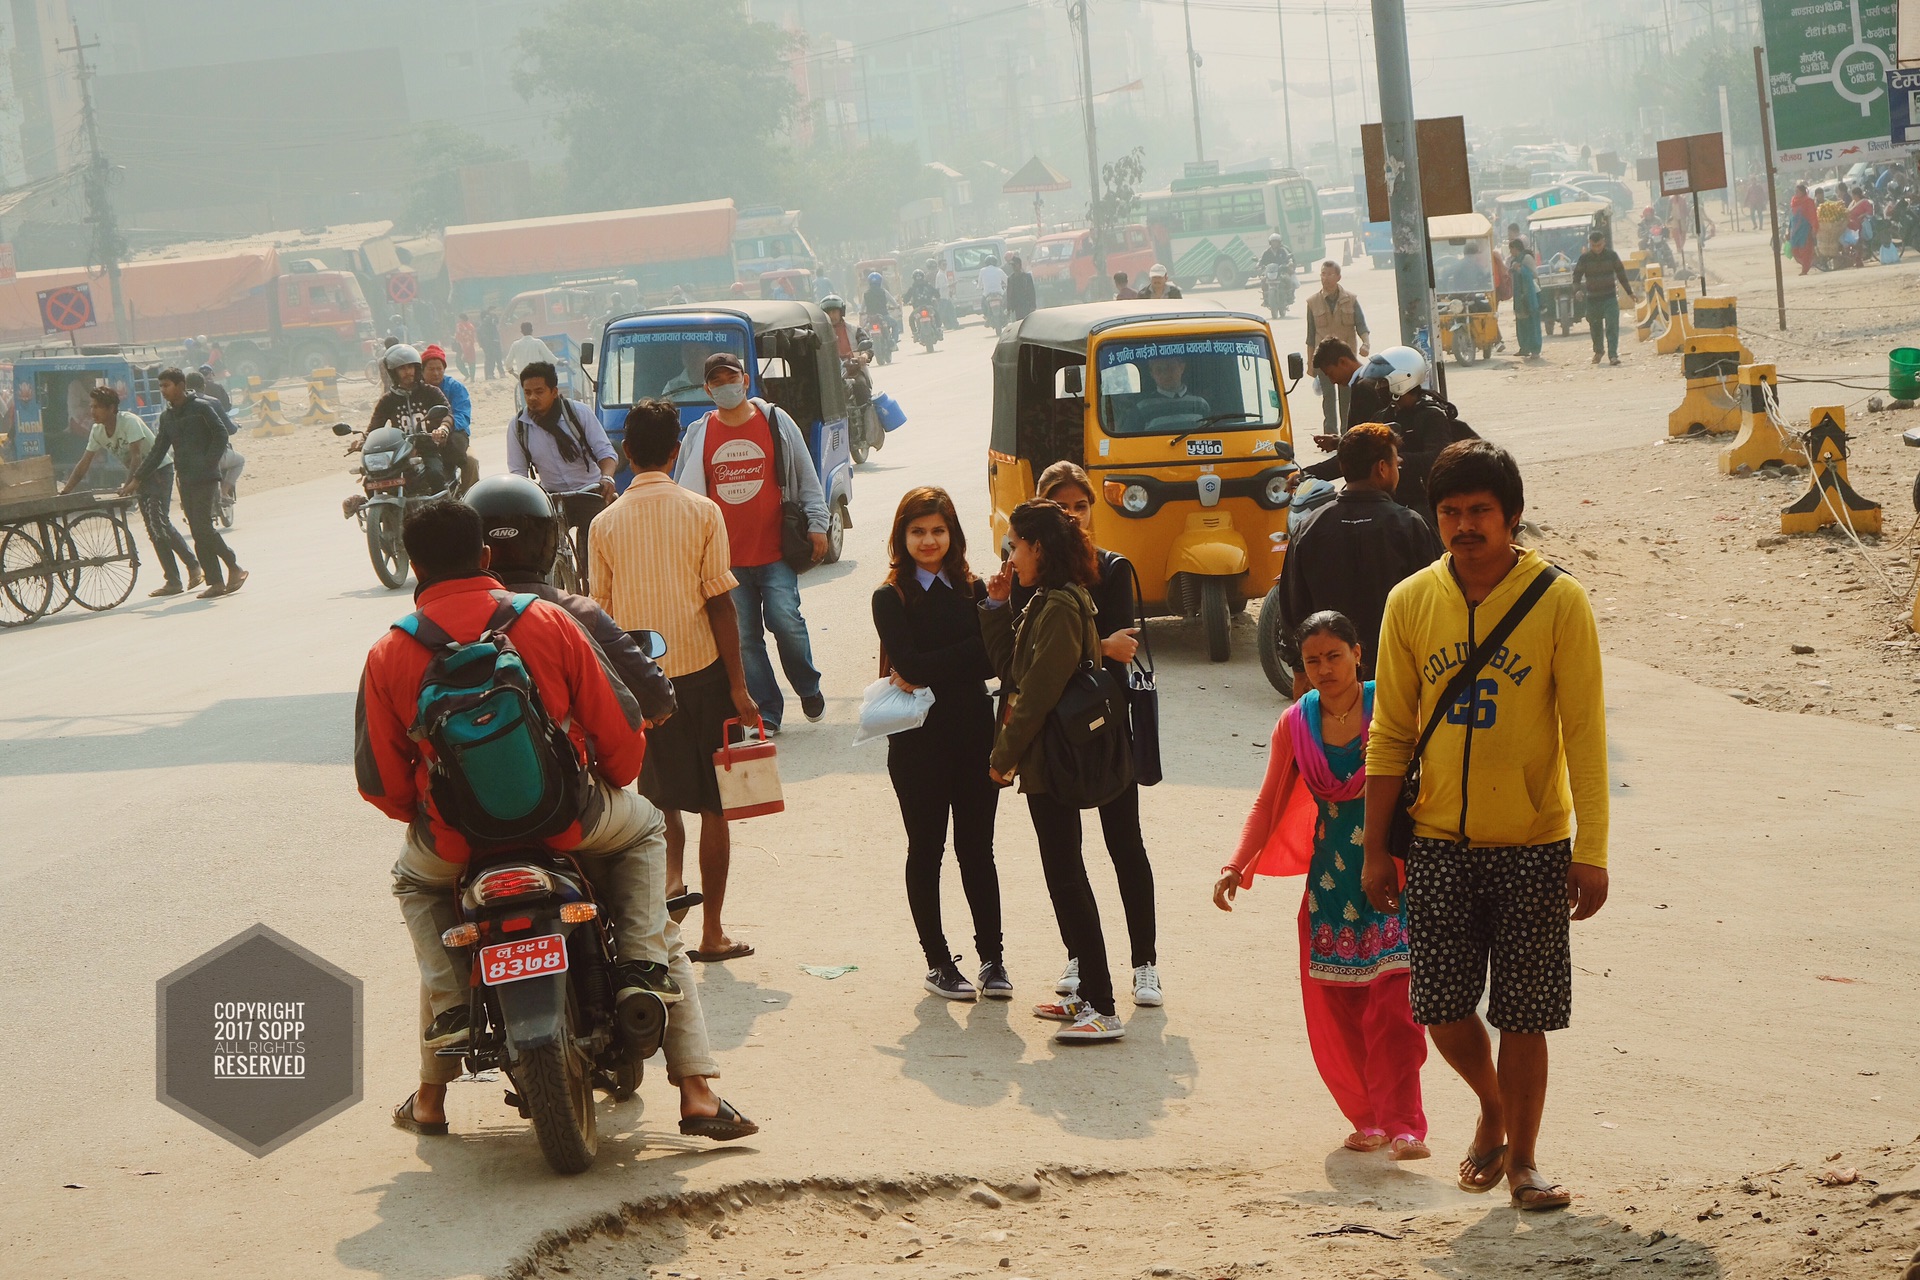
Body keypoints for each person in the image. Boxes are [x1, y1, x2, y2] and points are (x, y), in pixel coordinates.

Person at [354, 501, 745, 1140]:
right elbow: (621, 737)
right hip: (570, 822)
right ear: (486, 558)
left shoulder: (389, 651)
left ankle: (433, 1089)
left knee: (432, 906)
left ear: (414, 566)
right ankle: (690, 1078)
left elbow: (383, 784)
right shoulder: (548, 621)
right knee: (646, 827)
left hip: (460, 844)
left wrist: (429, 816)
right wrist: (605, 784)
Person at [1360, 440, 1609, 1212]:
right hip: (1434, 842)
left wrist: (1591, 850)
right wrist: (1375, 847)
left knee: (1525, 1012)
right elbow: (1390, 733)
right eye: (1452, 513)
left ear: (1513, 517)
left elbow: (1584, 732)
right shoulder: (1411, 601)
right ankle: (1494, 1106)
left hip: (1534, 845)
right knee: (1438, 1003)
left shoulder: (1558, 601)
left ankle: (1526, 1162)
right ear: (1434, 516)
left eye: (1481, 513)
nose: (1466, 526)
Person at [1217, 610, 1428, 1159]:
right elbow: (1268, 801)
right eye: (1313, 660)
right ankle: (1370, 1118)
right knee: (1339, 1009)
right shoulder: (1295, 723)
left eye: (1335, 655)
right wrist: (1236, 865)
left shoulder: (1393, 704)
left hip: (1394, 876)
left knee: (1396, 1006)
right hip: (1331, 884)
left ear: (1359, 653)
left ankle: (1406, 1125)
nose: (1325, 668)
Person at [592, 398, 759, 965]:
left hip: (643, 683)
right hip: (706, 675)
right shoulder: (703, 511)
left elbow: (602, 619)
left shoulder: (603, 523)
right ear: (675, 451)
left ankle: (668, 898)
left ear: (626, 452)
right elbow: (722, 606)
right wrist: (740, 687)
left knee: (660, 800)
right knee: (716, 803)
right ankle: (712, 931)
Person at [981, 500, 1124, 1043]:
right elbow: (1011, 672)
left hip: (1055, 760)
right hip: (1047, 762)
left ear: (1038, 547)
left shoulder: (1061, 607)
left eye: (1015, 546)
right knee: (1063, 876)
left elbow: (1034, 696)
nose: (1011, 557)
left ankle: (1104, 1007)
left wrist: (1000, 761)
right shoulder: (1044, 600)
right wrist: (996, 608)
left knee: (1068, 878)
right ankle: (1087, 994)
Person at [1018, 463, 1161, 1009]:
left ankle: (1144, 963)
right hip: (1051, 741)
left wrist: (1079, 650)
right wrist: (1092, 645)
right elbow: (1022, 659)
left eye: (1081, 505)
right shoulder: (1024, 572)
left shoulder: (1112, 570)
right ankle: (1080, 957)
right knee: (1063, 857)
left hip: (1104, 734)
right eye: (1061, 507)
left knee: (1125, 846)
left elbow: (1120, 657)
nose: (1073, 516)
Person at [871, 486, 1008, 1001]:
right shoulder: (890, 596)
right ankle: (937, 961)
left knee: (978, 851)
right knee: (925, 851)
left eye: (938, 530)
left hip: (976, 737)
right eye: (918, 531)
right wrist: (969, 651)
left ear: (953, 534)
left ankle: (993, 958)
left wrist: (934, 665)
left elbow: (996, 660)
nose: (929, 541)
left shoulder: (976, 589)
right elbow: (910, 664)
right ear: (902, 537)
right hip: (916, 746)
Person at [675, 353, 829, 736]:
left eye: (732, 377)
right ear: (707, 388)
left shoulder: (775, 420)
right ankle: (767, 710)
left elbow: (806, 475)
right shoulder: (698, 434)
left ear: (745, 381)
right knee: (744, 639)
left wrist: (819, 523)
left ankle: (807, 686)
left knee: (786, 621)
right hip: (725, 560)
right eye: (717, 380)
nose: (726, 385)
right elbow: (684, 494)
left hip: (775, 550)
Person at [1277, 423, 1443, 694]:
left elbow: (1292, 608)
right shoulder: (1410, 526)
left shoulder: (1309, 528)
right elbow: (1437, 604)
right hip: (1398, 684)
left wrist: (1300, 670)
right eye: (1394, 463)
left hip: (1332, 686)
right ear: (1382, 468)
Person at [63, 385, 201, 597]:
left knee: (158, 521)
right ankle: (174, 579)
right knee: (154, 527)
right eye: (91, 406)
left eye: (97, 407)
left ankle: (192, 566)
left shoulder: (129, 422)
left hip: (158, 471)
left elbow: (136, 457)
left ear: (111, 408)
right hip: (139, 477)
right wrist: (66, 491)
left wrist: (129, 485)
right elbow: (84, 463)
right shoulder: (98, 430)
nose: (92, 411)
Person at [127, 368, 244, 599]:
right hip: (186, 478)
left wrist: (209, 463)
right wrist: (137, 479)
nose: (163, 391)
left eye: (167, 386)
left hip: (207, 477)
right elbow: (158, 450)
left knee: (202, 528)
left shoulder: (201, 408)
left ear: (180, 385)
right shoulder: (168, 417)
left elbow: (221, 434)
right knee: (198, 530)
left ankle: (231, 568)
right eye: (160, 387)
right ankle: (219, 581)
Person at [508, 361, 618, 587]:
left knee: (597, 556)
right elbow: (518, 474)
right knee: (538, 554)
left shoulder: (579, 413)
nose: (532, 398)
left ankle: (597, 590)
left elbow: (606, 453)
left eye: (539, 392)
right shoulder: (518, 427)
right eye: (527, 392)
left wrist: (606, 478)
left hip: (589, 491)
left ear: (554, 392)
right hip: (550, 497)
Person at [1305, 261, 1370, 438]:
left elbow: (1361, 326)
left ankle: (1347, 432)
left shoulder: (1351, 299)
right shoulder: (1312, 302)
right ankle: (1331, 433)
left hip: (1344, 361)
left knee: (1346, 397)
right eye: (1323, 274)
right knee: (1328, 397)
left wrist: (1366, 343)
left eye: (1330, 274)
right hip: (1323, 360)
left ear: (1338, 277)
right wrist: (1310, 363)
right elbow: (1310, 336)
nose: (1326, 278)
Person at [1571, 230, 1634, 366]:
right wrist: (1577, 291)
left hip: (1609, 298)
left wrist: (1630, 292)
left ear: (1604, 242)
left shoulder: (1612, 256)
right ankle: (1599, 351)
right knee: (1595, 327)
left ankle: (1613, 355)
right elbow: (1576, 277)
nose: (1597, 248)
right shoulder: (1585, 258)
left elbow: (1621, 274)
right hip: (1593, 299)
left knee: (1612, 325)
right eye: (1594, 246)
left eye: (1599, 245)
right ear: (1590, 244)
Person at [420, 344, 475, 495]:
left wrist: (444, 429)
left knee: (471, 462)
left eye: (440, 369)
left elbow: (462, 415)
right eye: (431, 369)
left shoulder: (455, 387)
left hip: (453, 439)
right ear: (422, 370)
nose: (436, 373)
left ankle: (469, 499)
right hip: (423, 440)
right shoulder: (416, 390)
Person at [185, 370, 245, 503]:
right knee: (240, 460)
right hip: (214, 454)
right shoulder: (212, 402)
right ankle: (223, 492)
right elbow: (228, 428)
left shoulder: (178, 405)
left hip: (187, 457)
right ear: (204, 385)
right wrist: (234, 426)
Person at [1123, 355, 1210, 433]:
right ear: (1152, 374)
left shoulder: (1200, 404)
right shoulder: (1142, 408)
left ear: (1182, 367)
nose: (1165, 374)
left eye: (1170, 368)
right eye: (1158, 370)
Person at [821, 296, 873, 404]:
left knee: (861, 386)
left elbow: (866, 344)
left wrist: (864, 355)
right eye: (828, 313)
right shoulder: (819, 334)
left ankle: (866, 415)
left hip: (853, 372)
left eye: (834, 312)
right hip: (829, 375)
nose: (831, 316)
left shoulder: (854, 329)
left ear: (841, 312)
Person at [506, 322, 556, 407]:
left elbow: (508, 362)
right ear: (532, 330)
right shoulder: (538, 343)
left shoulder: (515, 344)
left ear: (521, 331)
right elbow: (550, 358)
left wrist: (510, 369)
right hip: (539, 376)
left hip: (524, 377)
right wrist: (559, 362)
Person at [1508, 240, 1543, 360]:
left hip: (1530, 294)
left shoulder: (1526, 258)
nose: (1510, 252)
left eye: (1511, 249)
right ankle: (1524, 348)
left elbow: (1534, 274)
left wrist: (1521, 269)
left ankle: (1535, 350)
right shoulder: (1514, 260)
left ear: (1516, 248)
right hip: (1519, 296)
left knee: (1532, 323)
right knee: (1522, 322)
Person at [1789, 182, 1818, 274]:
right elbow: (1791, 217)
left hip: (1805, 230)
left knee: (1805, 250)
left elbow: (1813, 215)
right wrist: (1788, 230)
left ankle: (1805, 269)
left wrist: (1814, 227)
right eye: (1795, 191)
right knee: (1794, 250)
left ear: (1802, 192)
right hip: (1795, 231)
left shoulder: (1808, 201)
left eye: (1798, 191)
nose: (1796, 193)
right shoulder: (1794, 201)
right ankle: (1807, 263)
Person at [861, 271, 898, 341]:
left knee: (864, 330)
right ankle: (894, 342)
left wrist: (861, 312)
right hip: (884, 316)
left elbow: (862, 306)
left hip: (871, 318)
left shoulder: (866, 294)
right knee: (895, 324)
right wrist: (896, 306)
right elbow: (892, 301)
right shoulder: (883, 291)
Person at [1006, 252, 1037, 321]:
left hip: (1026, 305)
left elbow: (1032, 292)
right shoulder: (1011, 279)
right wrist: (1008, 309)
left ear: (1019, 265)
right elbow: (1009, 294)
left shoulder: (1027, 277)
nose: (1013, 267)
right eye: (1012, 265)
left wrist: (1033, 306)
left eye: (1014, 265)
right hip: (1016, 307)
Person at [478, 305, 505, 381]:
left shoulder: (492, 319)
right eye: (494, 310)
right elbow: (487, 332)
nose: (495, 312)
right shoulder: (487, 320)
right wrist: (489, 341)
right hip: (490, 342)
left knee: (496, 358)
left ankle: (493, 374)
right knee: (491, 358)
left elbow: (496, 323)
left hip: (493, 341)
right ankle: (490, 374)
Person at [452, 314, 478, 380]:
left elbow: (458, 336)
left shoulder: (459, 325)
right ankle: (472, 377)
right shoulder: (471, 326)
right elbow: (473, 336)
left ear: (461, 319)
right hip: (470, 346)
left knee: (459, 362)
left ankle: (466, 374)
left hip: (462, 347)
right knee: (471, 362)